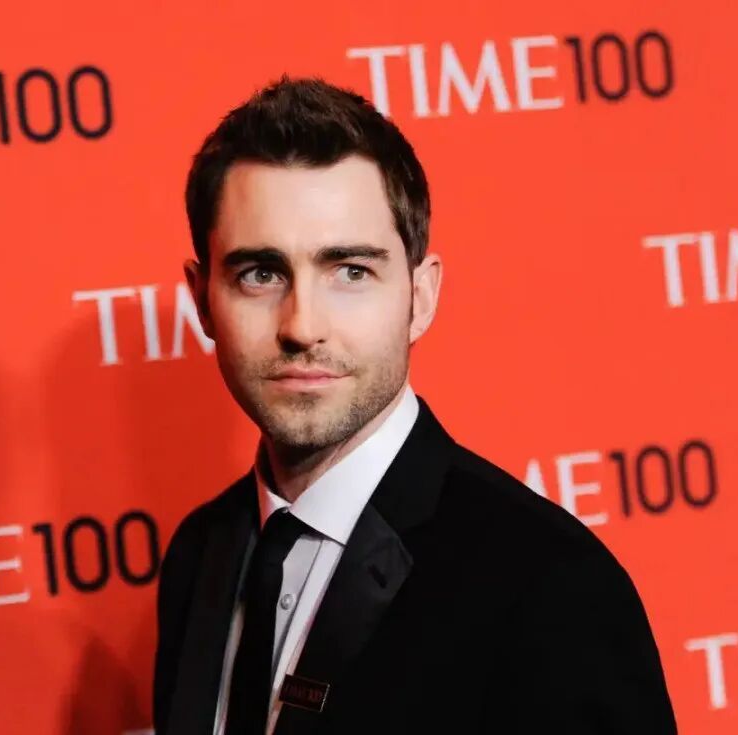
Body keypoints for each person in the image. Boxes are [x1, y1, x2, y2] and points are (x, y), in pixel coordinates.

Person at [152, 75, 677, 735]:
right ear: (202, 300)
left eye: (351, 271)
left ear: (420, 297)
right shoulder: (201, 553)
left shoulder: (550, 586)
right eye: (261, 274)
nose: (303, 325)